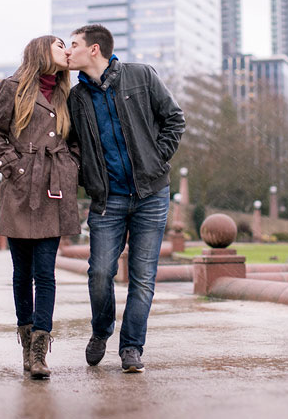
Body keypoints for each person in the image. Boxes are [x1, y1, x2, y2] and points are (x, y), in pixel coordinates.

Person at [65, 24, 185, 373]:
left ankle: (132, 347)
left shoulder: (141, 76)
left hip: (151, 195)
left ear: (94, 50)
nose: (69, 51)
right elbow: (72, 145)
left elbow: (174, 119)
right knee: (100, 272)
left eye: (73, 45)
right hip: (107, 200)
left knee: (143, 277)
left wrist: (156, 158)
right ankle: (102, 330)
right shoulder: (76, 98)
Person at [0, 35, 80, 379]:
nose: (67, 51)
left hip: (54, 189)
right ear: (42, 52)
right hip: (20, 190)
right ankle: (26, 345)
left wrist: (70, 167)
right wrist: (15, 168)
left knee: (46, 273)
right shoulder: (12, 87)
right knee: (21, 274)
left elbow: (77, 141)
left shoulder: (70, 94)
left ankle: (40, 352)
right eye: (59, 46)